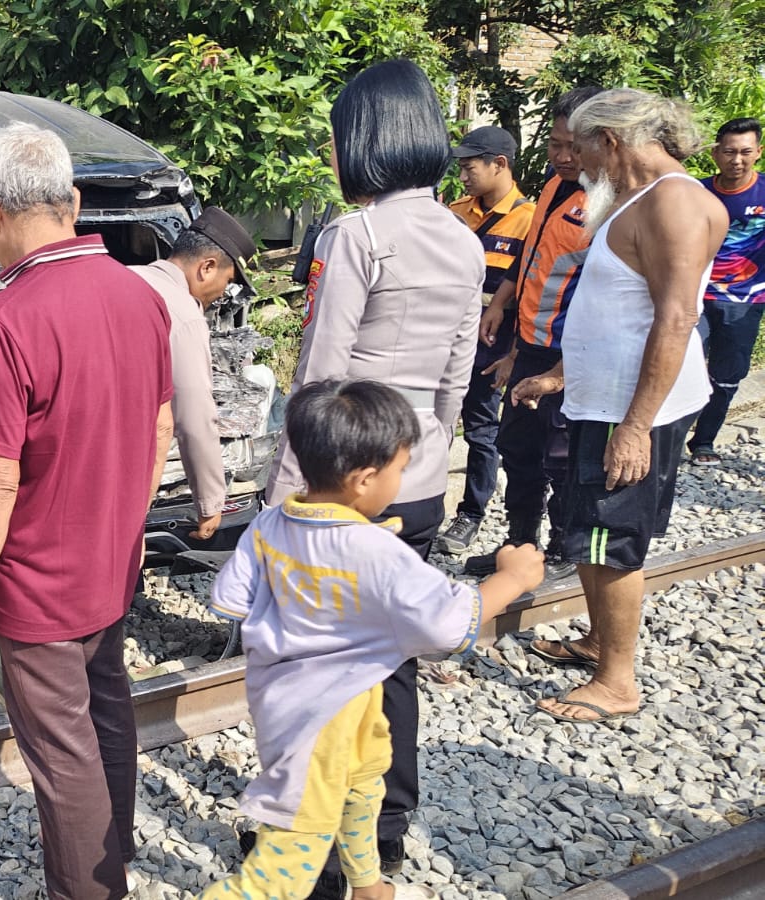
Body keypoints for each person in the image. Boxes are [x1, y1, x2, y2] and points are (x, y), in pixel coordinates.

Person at [0, 121, 174, 900]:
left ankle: (88, 891)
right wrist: (131, 531)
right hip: (113, 558)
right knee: (107, 711)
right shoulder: (140, 295)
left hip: (37, 584)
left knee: (61, 753)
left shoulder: (7, 319)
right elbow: (160, 425)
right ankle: (117, 852)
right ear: (71, 201)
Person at [264, 59, 483, 900]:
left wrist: (287, 498)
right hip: (418, 480)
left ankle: (316, 845)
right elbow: (458, 377)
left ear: (364, 139)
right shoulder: (462, 237)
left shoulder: (356, 237)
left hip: (338, 492)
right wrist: (426, 460)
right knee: (391, 664)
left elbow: (319, 384)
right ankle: (387, 832)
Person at [201, 380, 544, 900]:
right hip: (324, 722)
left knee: (363, 788)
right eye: (400, 469)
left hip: (308, 700)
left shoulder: (271, 523)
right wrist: (512, 579)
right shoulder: (377, 551)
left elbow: (230, 599)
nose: (402, 479)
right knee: (281, 866)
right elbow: (448, 624)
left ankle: (366, 883)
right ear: (363, 480)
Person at [513, 88, 725, 723]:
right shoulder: (635, 198)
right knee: (586, 528)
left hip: (632, 412)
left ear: (609, 141)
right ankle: (600, 643)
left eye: (577, 147)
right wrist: (558, 372)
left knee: (610, 538)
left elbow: (677, 316)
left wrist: (634, 426)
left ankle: (617, 682)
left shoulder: (675, 204)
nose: (573, 161)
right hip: (600, 399)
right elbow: (615, 313)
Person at [462, 87, 605, 582]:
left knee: (562, 456)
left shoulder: (610, 201)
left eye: (574, 146)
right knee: (518, 448)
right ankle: (521, 543)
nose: (563, 157)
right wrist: (502, 308)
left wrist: (563, 371)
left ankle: (567, 547)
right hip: (530, 345)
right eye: (555, 145)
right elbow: (530, 259)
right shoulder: (552, 187)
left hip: (573, 356)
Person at [130, 207, 257, 539]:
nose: (221, 297)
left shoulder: (125, 275)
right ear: (207, 267)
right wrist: (210, 501)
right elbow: (194, 416)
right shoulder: (182, 313)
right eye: (227, 282)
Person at [438, 126, 536, 553]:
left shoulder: (530, 220)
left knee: (481, 429)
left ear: (500, 164)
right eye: (459, 167)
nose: (463, 175)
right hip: (443, 335)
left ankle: (470, 513)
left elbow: (531, 290)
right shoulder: (454, 212)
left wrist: (515, 352)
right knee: (431, 422)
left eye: (469, 166)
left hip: (492, 342)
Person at [687, 117, 765, 465]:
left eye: (746, 152)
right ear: (716, 153)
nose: (737, 160)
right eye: (729, 152)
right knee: (680, 364)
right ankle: (664, 436)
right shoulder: (695, 193)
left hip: (747, 301)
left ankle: (704, 441)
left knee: (727, 376)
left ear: (758, 153)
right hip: (695, 296)